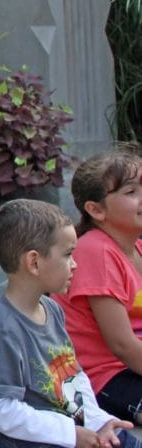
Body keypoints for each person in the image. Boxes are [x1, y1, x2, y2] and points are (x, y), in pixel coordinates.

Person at [0, 198, 142, 448]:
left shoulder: (53, 309)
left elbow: (74, 376)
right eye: (68, 254)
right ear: (34, 262)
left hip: (61, 418)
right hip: (11, 434)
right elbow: (2, 411)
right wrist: (72, 434)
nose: (75, 264)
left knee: (128, 447)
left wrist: (99, 421)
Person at [54, 149, 142, 424]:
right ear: (96, 210)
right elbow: (122, 345)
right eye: (131, 192)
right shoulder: (96, 252)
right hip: (102, 377)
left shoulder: (136, 246)